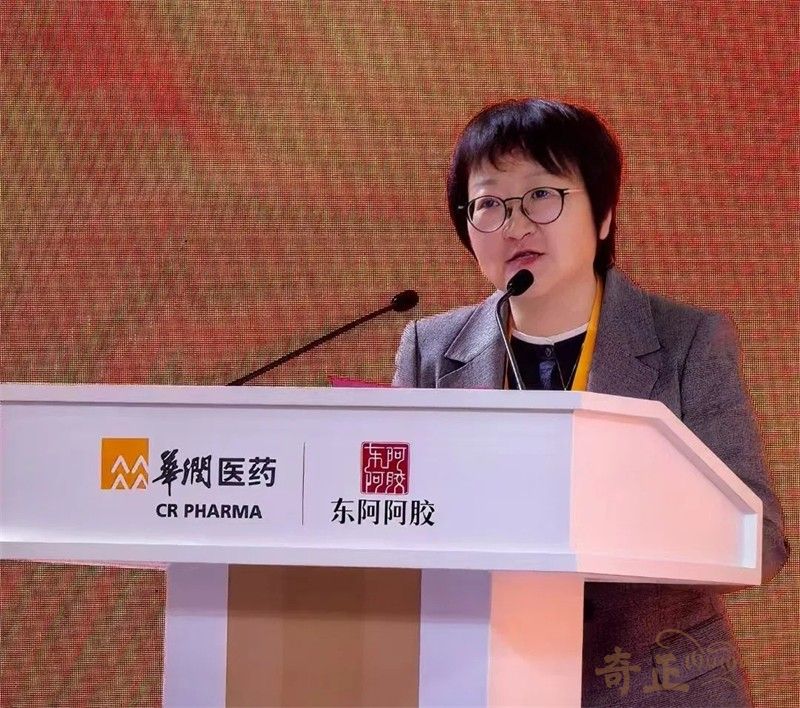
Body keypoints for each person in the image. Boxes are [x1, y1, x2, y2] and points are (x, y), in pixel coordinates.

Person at [392, 98, 789, 706]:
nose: (515, 226)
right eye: (490, 204)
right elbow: (394, 527)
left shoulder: (688, 341)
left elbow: (760, 541)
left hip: (655, 683)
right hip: (484, 680)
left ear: (603, 215)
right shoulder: (430, 349)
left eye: (541, 195)